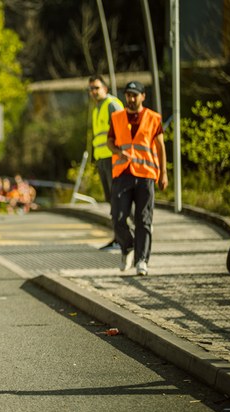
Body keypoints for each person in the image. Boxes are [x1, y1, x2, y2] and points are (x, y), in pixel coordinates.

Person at [107, 80, 167, 276]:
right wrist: (117, 151)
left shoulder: (153, 118)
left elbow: (160, 147)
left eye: (135, 95)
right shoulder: (116, 117)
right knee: (118, 218)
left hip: (145, 175)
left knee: (144, 219)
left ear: (143, 96)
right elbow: (110, 142)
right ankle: (128, 246)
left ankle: (142, 260)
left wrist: (163, 173)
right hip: (122, 174)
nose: (131, 99)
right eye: (128, 95)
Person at [88, 75, 124, 250]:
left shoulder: (112, 104)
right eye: (91, 89)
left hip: (113, 157)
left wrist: (121, 153)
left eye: (96, 88)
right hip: (102, 158)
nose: (93, 92)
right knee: (111, 199)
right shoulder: (97, 109)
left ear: (105, 88)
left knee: (118, 198)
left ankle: (125, 236)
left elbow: (123, 129)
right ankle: (118, 237)